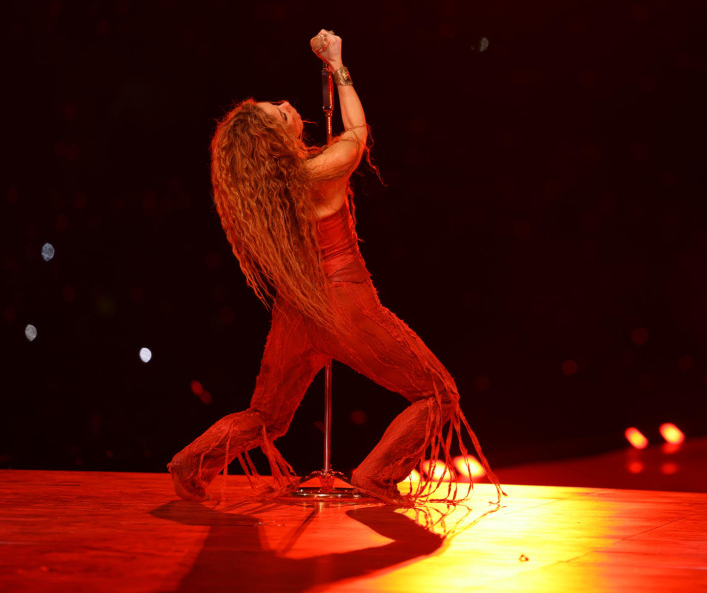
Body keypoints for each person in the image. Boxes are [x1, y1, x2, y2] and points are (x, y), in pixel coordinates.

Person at [167, 30, 503, 507]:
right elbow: (358, 133)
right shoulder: (320, 171)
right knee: (438, 394)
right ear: (275, 141)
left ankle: (190, 464)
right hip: (346, 308)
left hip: (297, 314)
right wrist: (339, 65)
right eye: (281, 112)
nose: (288, 104)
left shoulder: (265, 197)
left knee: (267, 415)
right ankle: (376, 475)